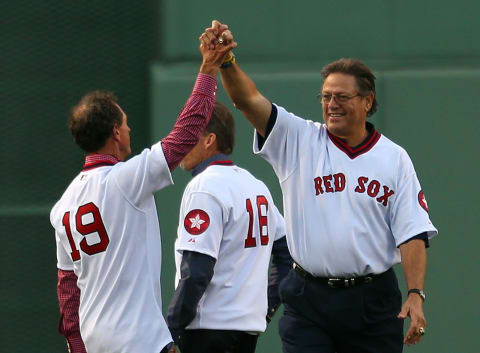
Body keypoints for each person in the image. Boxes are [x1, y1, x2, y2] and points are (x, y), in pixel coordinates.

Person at [199, 20, 439, 353]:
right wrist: (227, 62)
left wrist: (416, 293)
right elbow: (247, 100)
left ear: (367, 102)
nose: (331, 104)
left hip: (372, 300)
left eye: (342, 96)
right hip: (308, 297)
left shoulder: (393, 158)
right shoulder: (298, 139)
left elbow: (412, 232)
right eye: (326, 96)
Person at [49, 37, 236, 353]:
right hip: (140, 341)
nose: (129, 128)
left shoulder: (62, 207)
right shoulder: (125, 179)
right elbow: (186, 134)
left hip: (95, 341)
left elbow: (68, 291)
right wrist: (208, 68)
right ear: (116, 133)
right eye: (125, 122)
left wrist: (78, 348)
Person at [166, 101, 292, 353]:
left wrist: (169, 329)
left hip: (207, 332)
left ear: (209, 140)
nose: (179, 142)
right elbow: (287, 254)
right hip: (246, 333)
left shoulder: (204, 187)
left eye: (188, 135)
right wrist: (263, 309)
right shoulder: (256, 186)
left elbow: (197, 271)